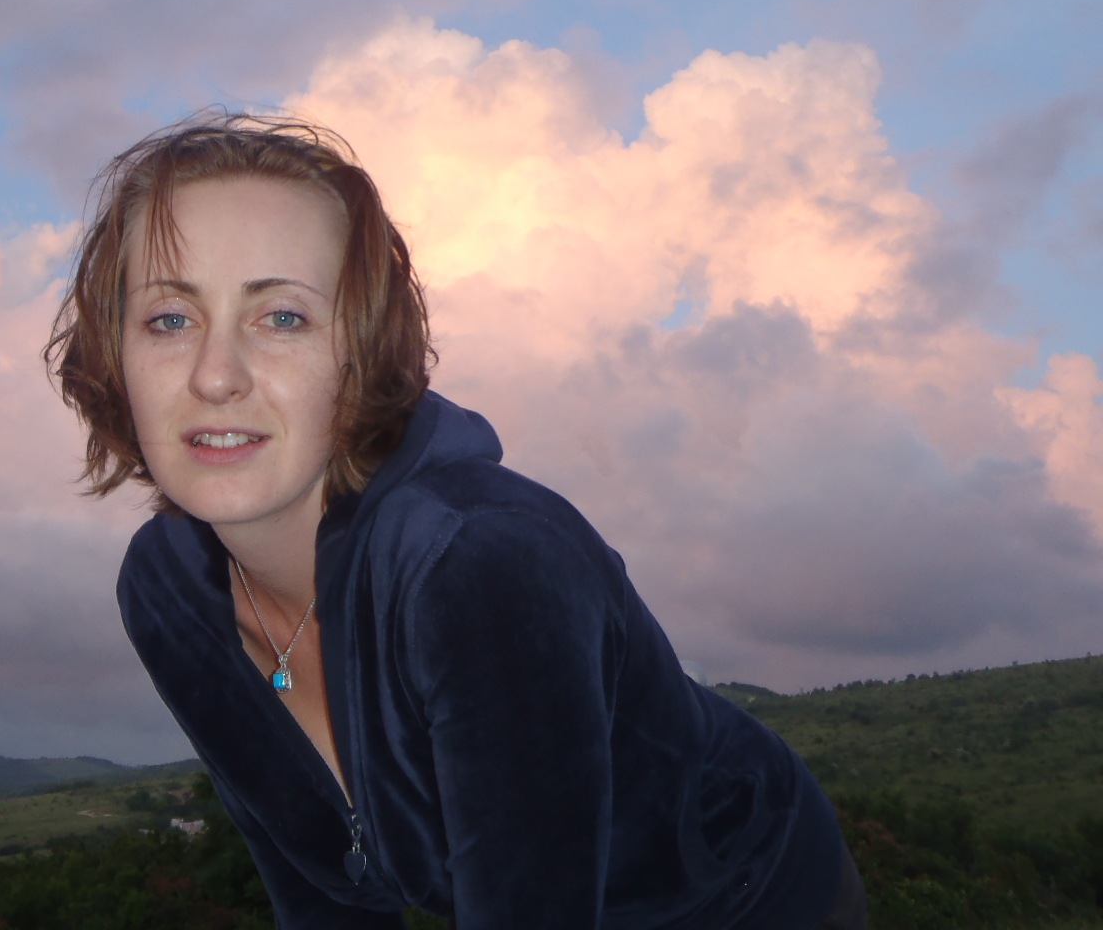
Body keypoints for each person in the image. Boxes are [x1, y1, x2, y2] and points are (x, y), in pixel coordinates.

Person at [45, 113, 868, 929]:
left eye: (282, 317)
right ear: (114, 354)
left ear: (364, 351)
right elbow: (312, 884)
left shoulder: (478, 564)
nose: (216, 375)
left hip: (746, 899)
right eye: (170, 319)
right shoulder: (168, 591)